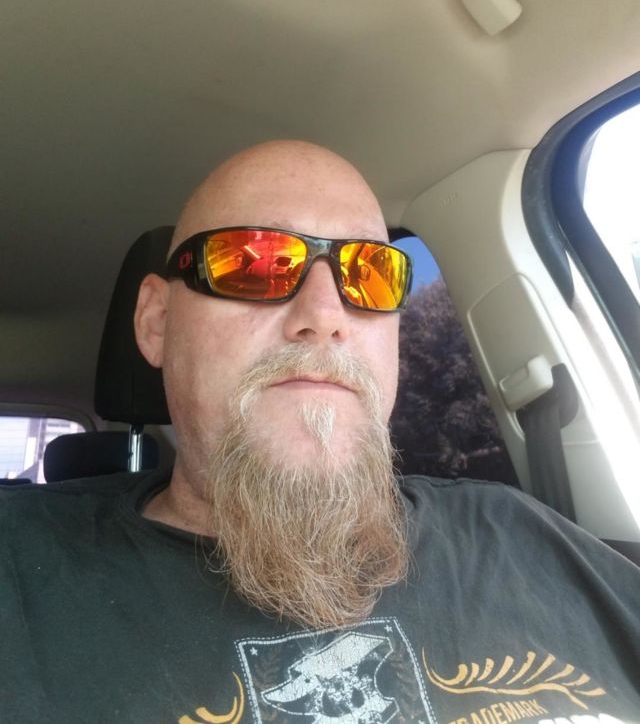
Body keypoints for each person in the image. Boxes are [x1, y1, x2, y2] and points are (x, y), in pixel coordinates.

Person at [2, 140, 639, 724]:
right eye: (254, 263)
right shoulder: (21, 575)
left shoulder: (517, 536)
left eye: (371, 272)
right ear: (157, 322)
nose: (326, 315)